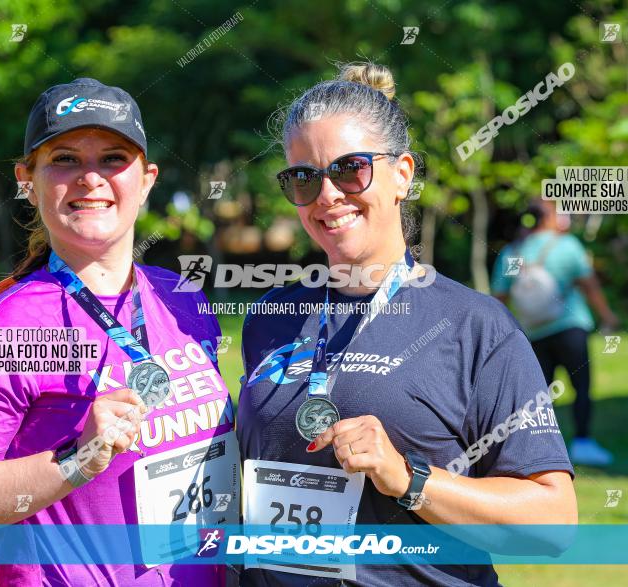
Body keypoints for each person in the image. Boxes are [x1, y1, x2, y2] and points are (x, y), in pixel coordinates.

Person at [236, 62, 576, 587]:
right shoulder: (268, 319)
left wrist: (408, 478)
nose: (327, 195)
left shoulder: (474, 325)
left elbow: (552, 523)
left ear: (402, 175)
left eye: (351, 169)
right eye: (303, 177)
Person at [0, 78, 238, 586]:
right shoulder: (7, 326)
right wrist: (75, 460)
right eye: (64, 159)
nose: (90, 178)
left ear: (147, 179)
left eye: (112, 158)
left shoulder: (181, 299)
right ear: (26, 179)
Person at [491, 200, 617, 466]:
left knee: (539, 394)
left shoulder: (513, 253)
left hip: (532, 332)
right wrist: (608, 316)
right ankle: (582, 441)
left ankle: (539, 448)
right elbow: (589, 285)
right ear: (548, 217)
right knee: (581, 386)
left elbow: (499, 296)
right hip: (570, 325)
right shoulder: (567, 245)